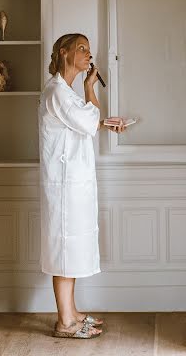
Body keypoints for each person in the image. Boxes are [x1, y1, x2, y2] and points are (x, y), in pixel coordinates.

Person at [38, 33, 127, 339]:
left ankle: (72, 311)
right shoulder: (57, 92)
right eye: (82, 49)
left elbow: (82, 122)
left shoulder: (66, 94)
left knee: (71, 247)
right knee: (65, 249)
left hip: (73, 185)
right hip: (64, 186)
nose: (89, 55)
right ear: (64, 53)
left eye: (89, 50)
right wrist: (91, 91)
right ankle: (65, 322)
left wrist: (103, 121)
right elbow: (87, 122)